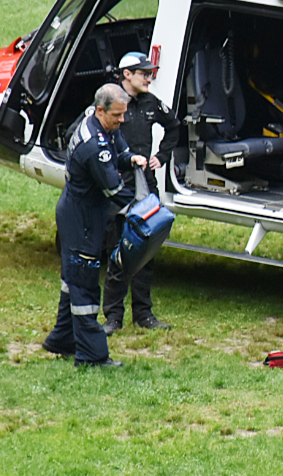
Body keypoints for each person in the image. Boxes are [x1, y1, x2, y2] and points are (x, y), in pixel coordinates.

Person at [43, 84, 147, 367]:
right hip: (82, 219)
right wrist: (144, 210)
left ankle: (62, 339)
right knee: (84, 284)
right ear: (101, 110)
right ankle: (91, 355)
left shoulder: (101, 123)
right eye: (117, 115)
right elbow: (114, 189)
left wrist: (131, 158)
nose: (122, 121)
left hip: (82, 213)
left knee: (72, 281)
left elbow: (118, 154)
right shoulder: (93, 145)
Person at [101, 52, 180, 334]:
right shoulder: (109, 101)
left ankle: (144, 315)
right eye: (143, 73)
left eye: (151, 72)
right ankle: (113, 317)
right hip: (117, 187)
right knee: (116, 252)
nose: (150, 77)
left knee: (146, 250)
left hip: (145, 187)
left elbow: (174, 127)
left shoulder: (151, 103)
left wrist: (161, 156)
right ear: (126, 75)